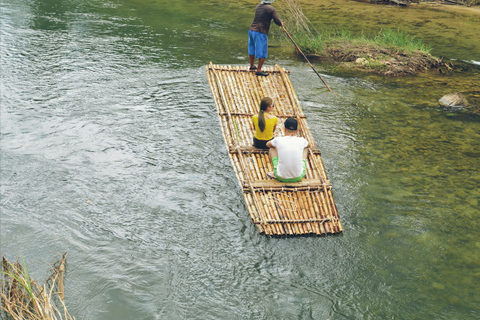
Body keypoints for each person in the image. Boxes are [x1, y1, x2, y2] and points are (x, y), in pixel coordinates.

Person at [266, 118, 309, 182]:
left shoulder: (278, 140)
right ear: (297, 131)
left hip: (280, 177)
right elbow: (309, 145)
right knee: (305, 148)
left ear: (284, 129)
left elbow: (268, 144)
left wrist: (277, 148)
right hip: (298, 177)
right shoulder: (302, 140)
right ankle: (301, 169)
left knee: (272, 148)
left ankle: (274, 172)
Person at [248, 0, 283, 77]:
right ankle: (259, 70)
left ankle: (252, 66)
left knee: (252, 49)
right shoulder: (271, 9)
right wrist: (281, 24)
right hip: (260, 31)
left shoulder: (258, 6)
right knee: (262, 51)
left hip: (251, 30)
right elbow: (276, 20)